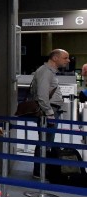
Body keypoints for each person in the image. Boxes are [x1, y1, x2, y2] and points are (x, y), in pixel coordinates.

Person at [30, 49, 70, 179]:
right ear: (55, 58)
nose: (68, 60)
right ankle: (39, 171)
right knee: (45, 141)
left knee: (47, 141)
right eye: (65, 58)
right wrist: (49, 113)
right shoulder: (45, 72)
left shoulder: (49, 72)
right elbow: (42, 95)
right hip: (48, 112)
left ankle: (42, 169)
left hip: (51, 110)